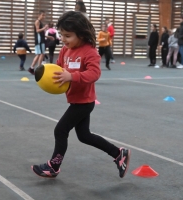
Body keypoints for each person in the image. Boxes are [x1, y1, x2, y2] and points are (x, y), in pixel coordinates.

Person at [31, 11, 131, 179]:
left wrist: (72, 76)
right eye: (62, 35)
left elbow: (94, 74)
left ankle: (53, 166)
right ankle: (118, 154)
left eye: (68, 35)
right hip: (75, 100)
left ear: (81, 34)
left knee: (60, 130)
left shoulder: (89, 51)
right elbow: (59, 68)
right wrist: (52, 78)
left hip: (84, 101)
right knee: (84, 136)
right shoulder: (65, 50)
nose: (64, 39)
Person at [28, 10, 53, 75]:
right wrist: (44, 28)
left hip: (41, 40)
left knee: (41, 54)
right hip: (39, 41)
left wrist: (48, 37)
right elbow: (37, 31)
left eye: (44, 15)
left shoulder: (41, 23)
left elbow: (41, 33)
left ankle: (32, 68)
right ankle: (36, 68)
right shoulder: (37, 21)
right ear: (39, 15)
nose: (44, 17)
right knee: (40, 54)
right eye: (43, 15)